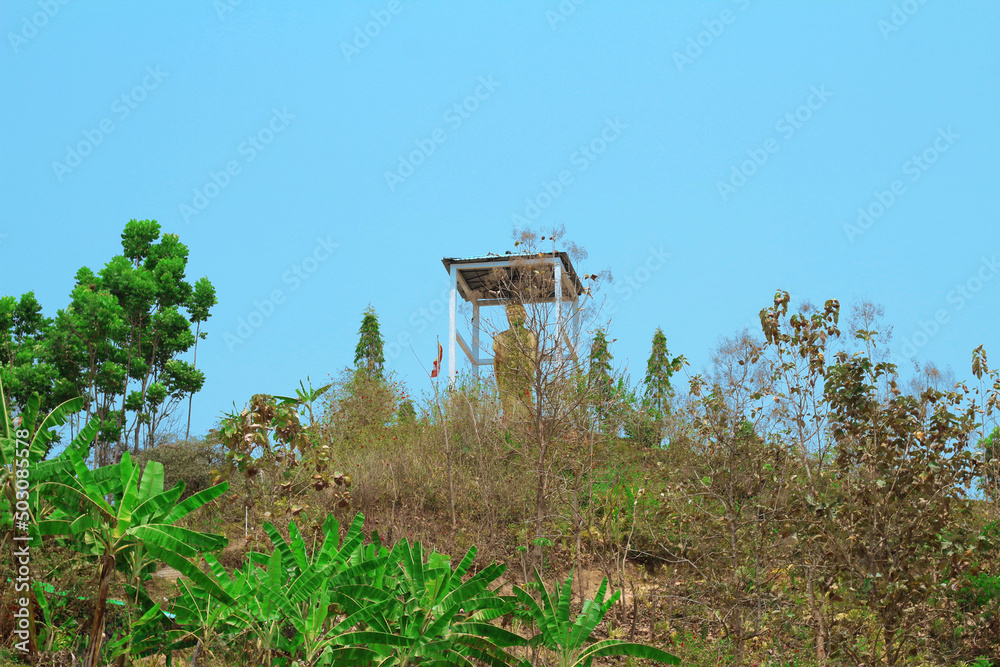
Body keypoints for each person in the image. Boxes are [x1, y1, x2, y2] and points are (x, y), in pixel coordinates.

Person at [493, 303, 537, 424]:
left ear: (524, 315)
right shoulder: (500, 337)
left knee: (525, 403)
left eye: (516, 314)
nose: (512, 317)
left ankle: (526, 424)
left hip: (523, 377)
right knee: (509, 404)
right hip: (508, 377)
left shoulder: (530, 335)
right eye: (509, 314)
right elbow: (498, 357)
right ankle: (510, 423)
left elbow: (532, 358)